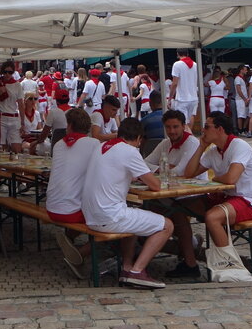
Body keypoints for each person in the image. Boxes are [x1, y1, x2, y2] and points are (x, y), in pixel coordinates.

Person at [81, 117, 173, 289]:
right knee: (167, 225)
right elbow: (155, 185)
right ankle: (137, 271)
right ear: (139, 138)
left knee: (133, 219)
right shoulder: (130, 151)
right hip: (108, 216)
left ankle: (127, 267)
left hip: (91, 215)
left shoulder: (101, 147)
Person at [182, 112, 252, 258]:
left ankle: (228, 262)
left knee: (212, 217)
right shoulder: (214, 151)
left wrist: (214, 180)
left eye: (207, 127)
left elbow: (231, 178)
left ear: (220, 129)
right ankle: (188, 257)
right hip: (225, 197)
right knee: (179, 208)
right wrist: (201, 147)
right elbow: (189, 173)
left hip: (248, 201)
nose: (203, 130)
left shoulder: (239, 146)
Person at [143, 110, 207, 278]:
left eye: (176, 127)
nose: (172, 131)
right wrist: (164, 169)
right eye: (168, 127)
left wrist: (162, 170)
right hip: (171, 194)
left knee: (176, 214)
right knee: (150, 210)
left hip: (194, 194)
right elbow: (144, 164)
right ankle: (187, 247)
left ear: (184, 126)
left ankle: (190, 263)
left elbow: (181, 172)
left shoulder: (192, 143)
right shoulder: (165, 143)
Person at [46, 107, 98, 275]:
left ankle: (68, 239)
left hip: (51, 207)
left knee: (78, 203)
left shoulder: (59, 144)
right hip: (70, 211)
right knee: (108, 220)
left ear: (69, 126)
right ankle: (79, 255)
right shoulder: (93, 144)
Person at [168, 50, 199, 124]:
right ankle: (190, 134)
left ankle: (187, 135)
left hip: (182, 98)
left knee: (182, 122)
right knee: (191, 117)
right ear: (187, 54)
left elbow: (175, 83)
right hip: (194, 97)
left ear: (178, 54)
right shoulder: (195, 64)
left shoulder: (177, 64)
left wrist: (170, 98)